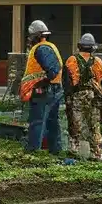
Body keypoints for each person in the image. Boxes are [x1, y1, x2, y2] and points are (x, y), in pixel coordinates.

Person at [19, 20, 66, 156]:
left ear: (37, 36)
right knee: (52, 121)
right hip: (54, 89)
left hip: (45, 91)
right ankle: (55, 151)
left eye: (30, 36)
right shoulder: (49, 47)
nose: (29, 39)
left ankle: (33, 153)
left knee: (37, 121)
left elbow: (53, 69)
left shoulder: (42, 49)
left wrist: (43, 83)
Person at [65, 32, 102, 160]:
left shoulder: (71, 60)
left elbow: (67, 82)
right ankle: (95, 152)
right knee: (94, 124)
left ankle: (75, 149)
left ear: (80, 46)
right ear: (92, 48)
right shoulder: (98, 62)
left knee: (75, 122)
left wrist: (67, 98)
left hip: (77, 96)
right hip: (94, 97)